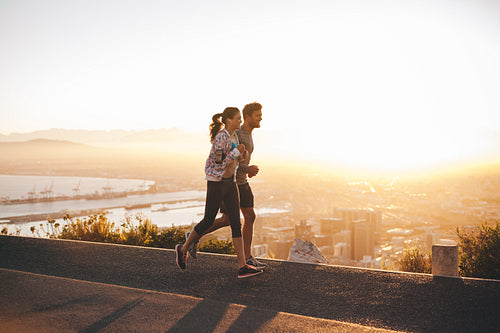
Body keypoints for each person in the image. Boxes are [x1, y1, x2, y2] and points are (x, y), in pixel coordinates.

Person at [175, 107, 263, 279]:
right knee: (209, 219)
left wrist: (242, 155)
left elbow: (235, 161)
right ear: (228, 120)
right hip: (217, 183)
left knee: (236, 223)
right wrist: (237, 152)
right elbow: (218, 162)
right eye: (237, 118)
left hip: (231, 184)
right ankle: (183, 247)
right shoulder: (220, 137)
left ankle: (242, 267)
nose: (240, 121)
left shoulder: (234, 136)